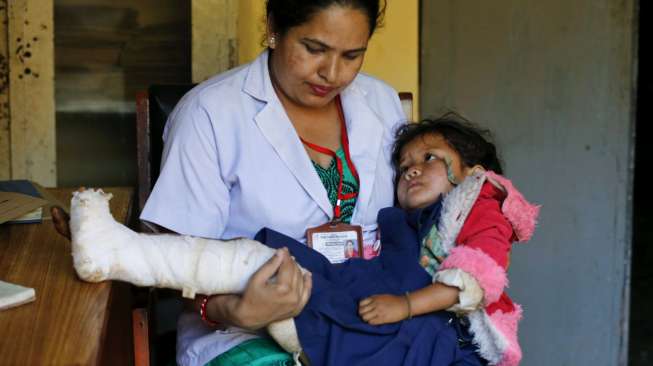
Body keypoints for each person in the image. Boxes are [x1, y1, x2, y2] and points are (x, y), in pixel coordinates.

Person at [67, 115, 538, 366]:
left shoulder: (483, 202)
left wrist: (406, 305)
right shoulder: (211, 112)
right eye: (405, 165)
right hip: (356, 315)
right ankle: (119, 253)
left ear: (474, 172)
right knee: (268, 267)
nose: (411, 168)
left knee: (268, 269)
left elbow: (476, 280)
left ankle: (116, 253)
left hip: (429, 337)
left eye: (430, 158)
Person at [137, 0, 405, 364]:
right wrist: (234, 311)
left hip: (372, 316)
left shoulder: (381, 101)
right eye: (314, 49)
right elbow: (174, 264)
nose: (332, 73)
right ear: (274, 28)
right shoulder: (210, 113)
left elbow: (415, 218)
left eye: (352, 56)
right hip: (247, 335)